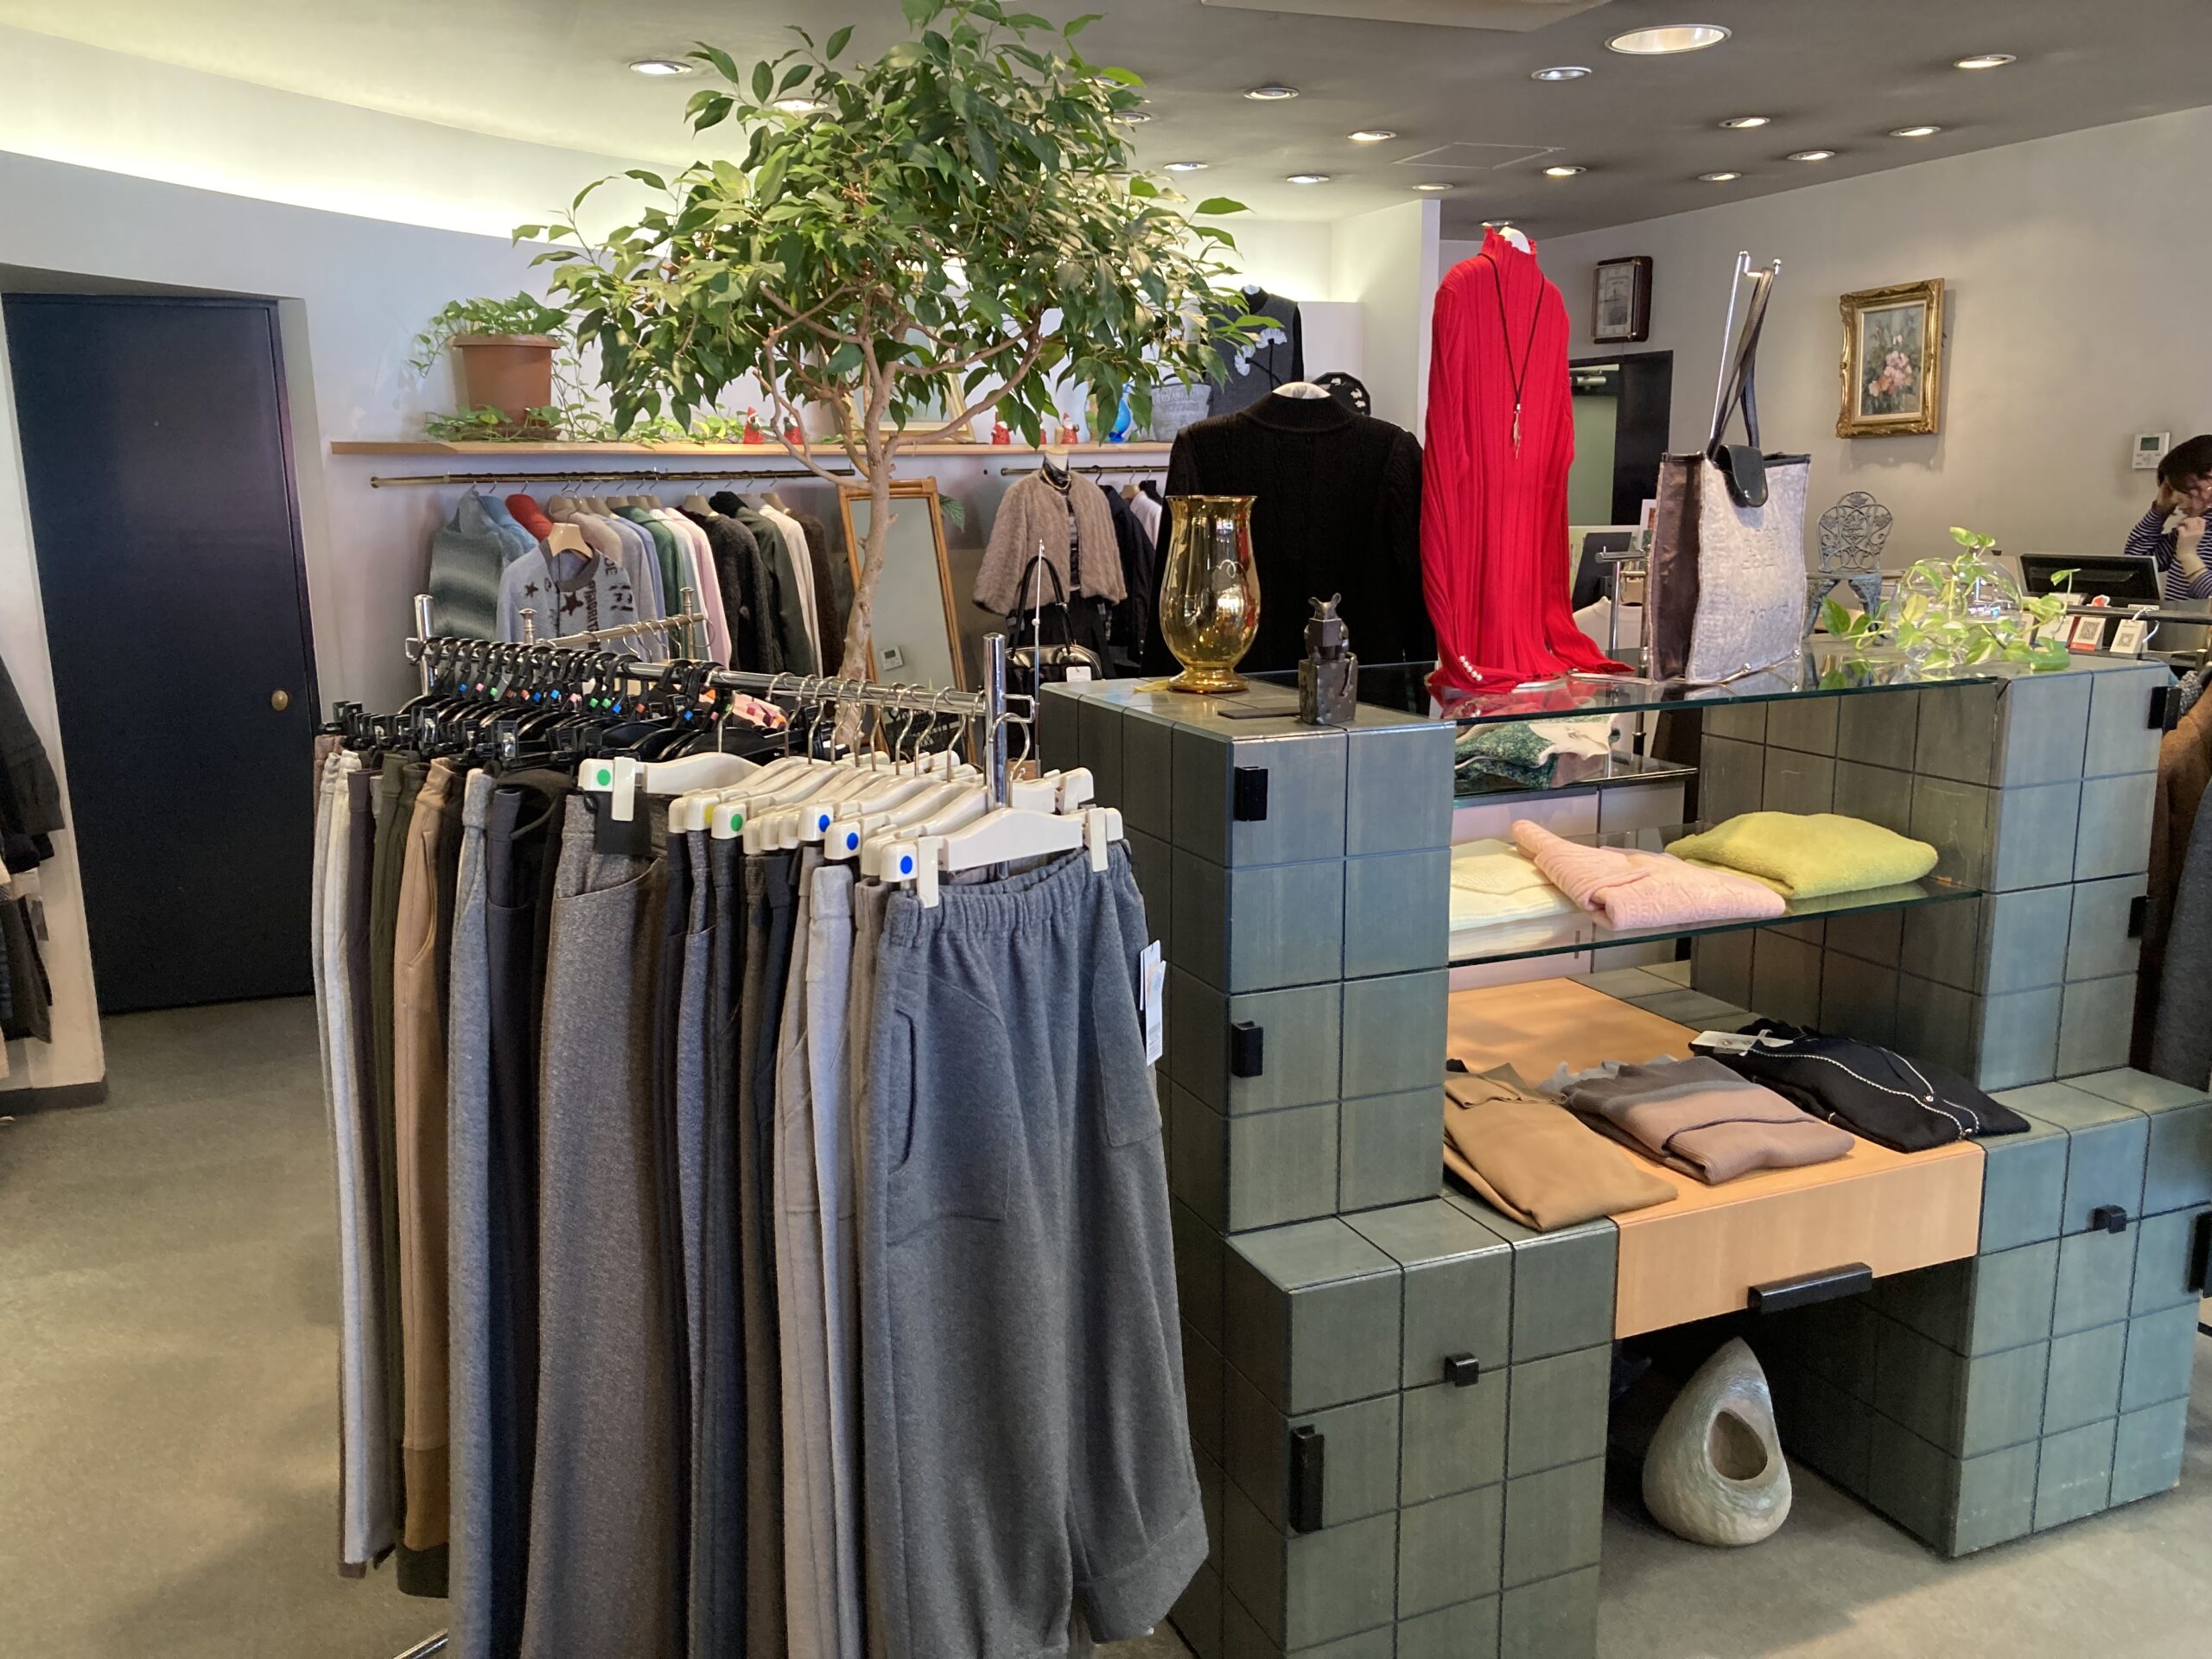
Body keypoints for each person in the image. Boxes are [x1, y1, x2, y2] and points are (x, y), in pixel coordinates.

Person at [2126, 435, 2212, 601]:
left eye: (2179, 489)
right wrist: (2159, 510)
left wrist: (2188, 555)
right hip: (2175, 618)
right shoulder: (2195, 530)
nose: (2175, 499)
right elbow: (2136, 561)